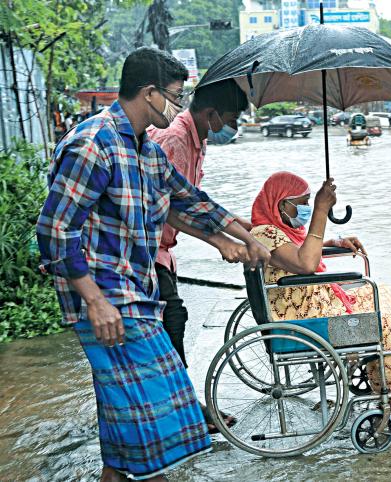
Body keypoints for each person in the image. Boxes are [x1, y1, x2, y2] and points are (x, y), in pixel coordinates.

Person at [36, 47, 270, 482]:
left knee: (125, 410)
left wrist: (243, 237)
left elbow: (190, 202)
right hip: (106, 296)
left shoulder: (149, 152)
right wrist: (94, 302)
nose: (180, 107)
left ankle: (117, 475)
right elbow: (54, 230)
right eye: (176, 97)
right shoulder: (93, 145)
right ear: (149, 93)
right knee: (167, 408)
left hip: (138, 286)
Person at [250, 172, 391, 417]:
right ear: (282, 204)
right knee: (377, 316)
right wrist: (321, 210)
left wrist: (333, 242)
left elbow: (295, 253)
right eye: (302, 203)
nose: (305, 208)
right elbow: (305, 264)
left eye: (308, 202)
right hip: (304, 320)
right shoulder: (264, 233)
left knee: (382, 294)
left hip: (312, 305)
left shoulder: (274, 230)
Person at [147, 78, 250, 433]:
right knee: (170, 324)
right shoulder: (173, 140)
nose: (231, 128)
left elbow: (198, 201)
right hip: (144, 252)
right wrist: (221, 241)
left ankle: (182, 406)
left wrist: (246, 229)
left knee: (169, 326)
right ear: (211, 114)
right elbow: (170, 208)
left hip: (164, 252)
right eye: (231, 119)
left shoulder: (197, 141)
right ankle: (183, 409)